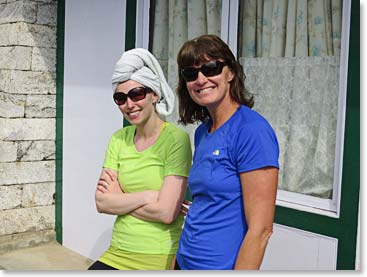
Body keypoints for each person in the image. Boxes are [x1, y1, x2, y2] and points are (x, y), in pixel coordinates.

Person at [174, 34, 279, 270]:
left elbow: (261, 230)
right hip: (185, 259)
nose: (201, 79)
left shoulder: (251, 131)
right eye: (191, 74)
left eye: (211, 68)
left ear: (230, 73)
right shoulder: (203, 132)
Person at [88, 48, 192, 270]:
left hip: (158, 255)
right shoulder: (119, 139)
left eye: (137, 94)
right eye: (120, 98)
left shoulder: (176, 140)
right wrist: (149, 196)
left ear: (154, 94)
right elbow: (102, 202)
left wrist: (121, 198)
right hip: (117, 250)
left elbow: (166, 213)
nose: (129, 104)